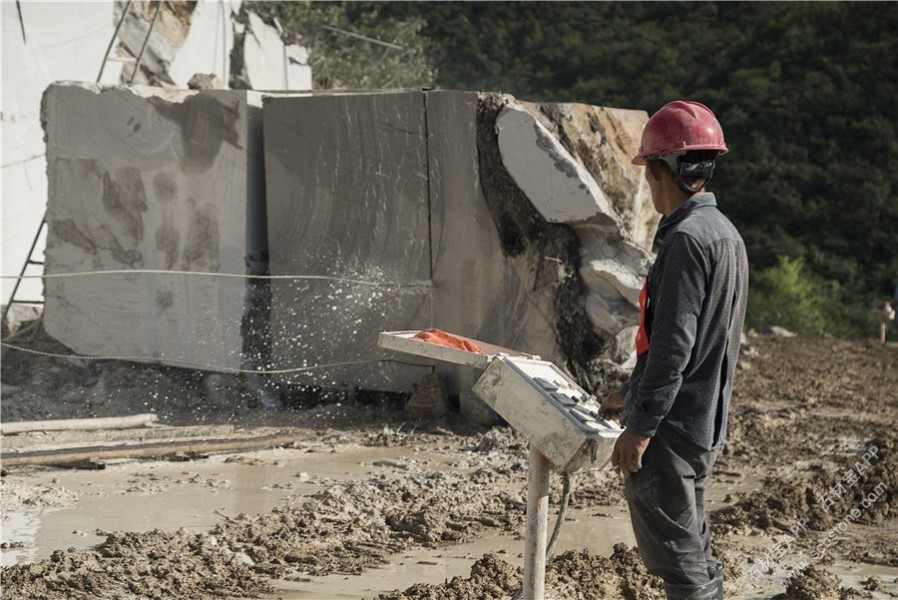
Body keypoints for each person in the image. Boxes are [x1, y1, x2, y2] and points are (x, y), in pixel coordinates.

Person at [600, 101, 748, 600]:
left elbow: (674, 348)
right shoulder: (725, 234)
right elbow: (706, 339)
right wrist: (629, 393)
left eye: (649, 171)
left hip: (671, 428)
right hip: (702, 420)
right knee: (694, 549)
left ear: (659, 171)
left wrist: (639, 429)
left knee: (679, 562)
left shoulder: (685, 239)